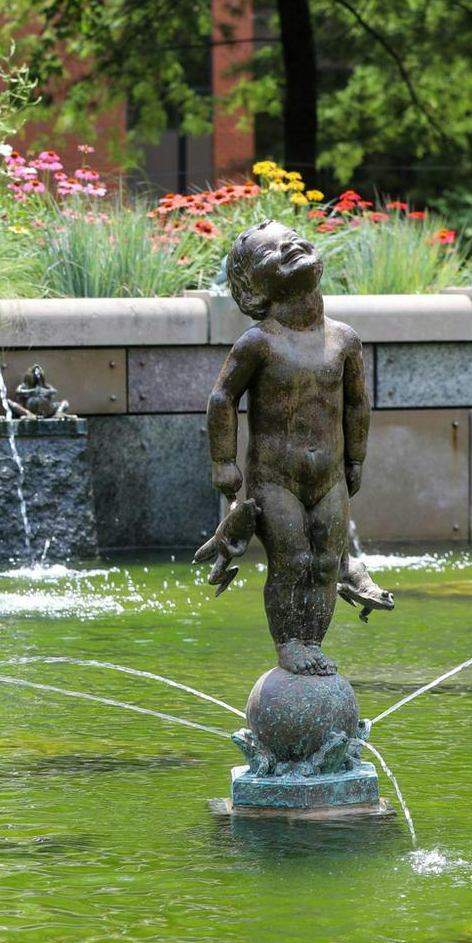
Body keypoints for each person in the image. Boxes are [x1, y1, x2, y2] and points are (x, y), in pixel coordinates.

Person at [194, 221, 395, 676]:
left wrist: (356, 458)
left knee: (326, 562)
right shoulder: (259, 342)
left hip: (330, 477)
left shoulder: (343, 339)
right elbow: (222, 399)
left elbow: (357, 402)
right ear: (254, 291)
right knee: (293, 560)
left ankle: (313, 644)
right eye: (275, 253)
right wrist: (223, 464)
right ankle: (288, 644)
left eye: (296, 240)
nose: (293, 247)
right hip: (273, 479)